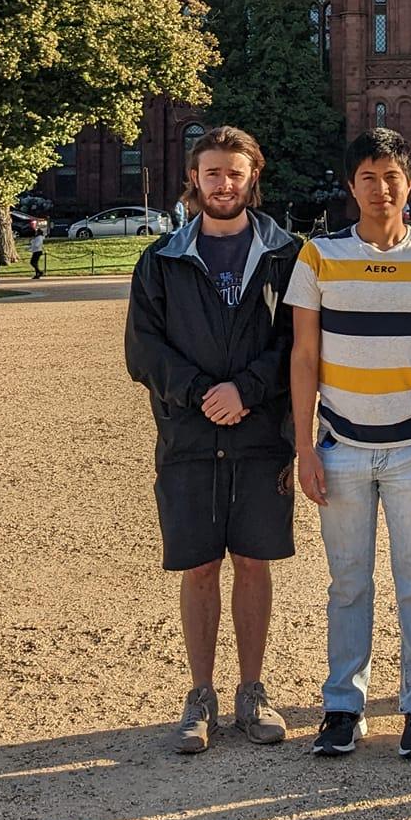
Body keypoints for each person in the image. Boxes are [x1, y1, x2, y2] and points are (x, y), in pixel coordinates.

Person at [288, 128, 411, 760]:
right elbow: (304, 355)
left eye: (391, 176)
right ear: (351, 185)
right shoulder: (318, 257)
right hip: (343, 445)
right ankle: (344, 705)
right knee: (348, 583)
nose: (381, 188)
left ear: (408, 183)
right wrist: (305, 448)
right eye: (368, 177)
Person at [124, 125, 299, 753]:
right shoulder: (162, 259)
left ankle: (253, 690)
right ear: (193, 180)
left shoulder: (288, 255)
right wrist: (202, 392)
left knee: (253, 563)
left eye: (236, 172)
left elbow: (300, 344)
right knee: (199, 565)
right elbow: (143, 349)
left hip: (261, 438)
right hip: (189, 437)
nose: (224, 184)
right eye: (212, 174)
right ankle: (201, 694)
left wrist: (247, 390)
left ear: (255, 176)